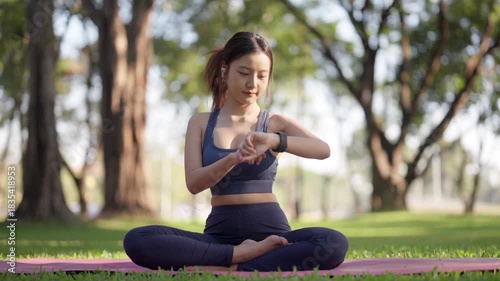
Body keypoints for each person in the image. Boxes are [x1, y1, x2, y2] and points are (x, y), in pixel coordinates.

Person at [123, 31, 349, 272]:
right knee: (138, 239)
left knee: (333, 243)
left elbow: (322, 150)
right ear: (225, 69)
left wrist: (273, 140)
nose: (253, 84)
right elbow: (194, 183)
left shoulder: (274, 123)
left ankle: (233, 263)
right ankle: (239, 256)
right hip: (219, 239)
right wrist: (233, 158)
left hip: (272, 239)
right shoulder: (200, 123)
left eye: (262, 76)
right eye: (244, 73)